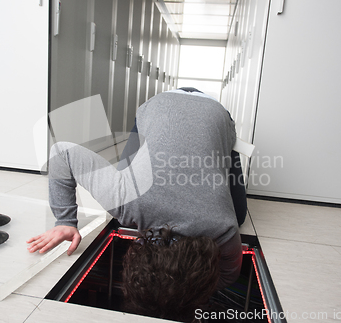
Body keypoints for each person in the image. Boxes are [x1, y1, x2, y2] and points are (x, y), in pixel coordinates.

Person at [27, 87, 248, 321]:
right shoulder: (125, 201)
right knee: (239, 215)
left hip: (210, 112)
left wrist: (193, 290)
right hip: (172, 107)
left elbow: (227, 275)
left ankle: (224, 138)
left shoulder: (223, 228)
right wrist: (65, 222)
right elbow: (61, 153)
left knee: (239, 215)